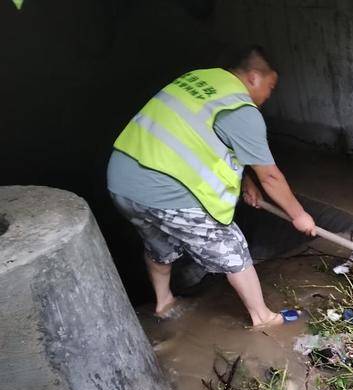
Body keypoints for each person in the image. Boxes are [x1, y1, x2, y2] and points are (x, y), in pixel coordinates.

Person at [107, 45, 316, 328]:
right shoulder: (241, 109)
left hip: (123, 183)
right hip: (166, 191)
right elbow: (271, 177)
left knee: (158, 242)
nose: (269, 95)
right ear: (254, 76)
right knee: (232, 247)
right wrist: (299, 215)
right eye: (271, 85)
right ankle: (263, 318)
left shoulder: (200, 81)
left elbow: (204, 138)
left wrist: (246, 181)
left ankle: (163, 303)